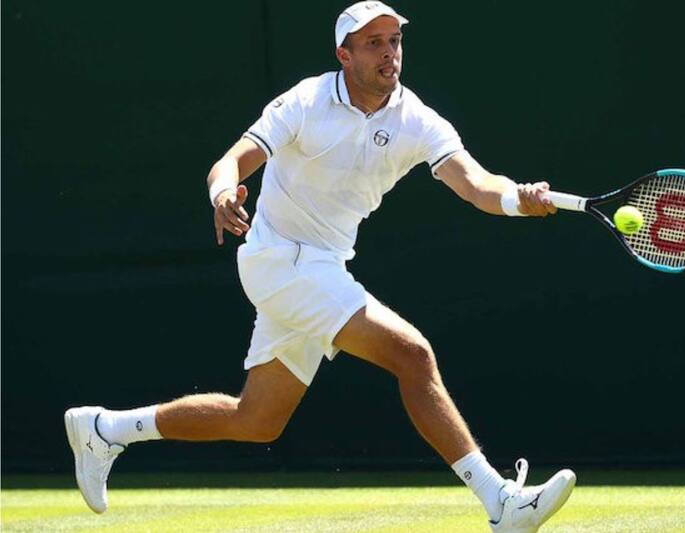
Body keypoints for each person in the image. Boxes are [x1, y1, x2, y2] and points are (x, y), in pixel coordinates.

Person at [64, 2, 575, 531]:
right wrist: (221, 193)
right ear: (344, 55)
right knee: (413, 355)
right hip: (277, 259)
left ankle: (105, 429)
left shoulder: (417, 120)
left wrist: (518, 197)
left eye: (394, 41)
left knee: (256, 420)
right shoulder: (306, 101)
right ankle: (500, 503)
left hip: (322, 267)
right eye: (373, 43)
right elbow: (233, 160)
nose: (389, 53)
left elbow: (476, 184)